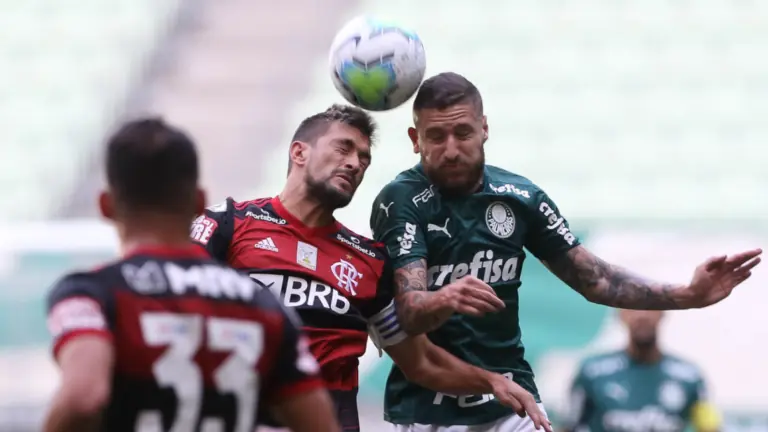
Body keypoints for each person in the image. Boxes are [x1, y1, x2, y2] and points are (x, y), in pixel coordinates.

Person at [369, 72, 761, 432]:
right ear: (415, 138)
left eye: (463, 132)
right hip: (430, 410)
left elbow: (595, 279)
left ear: (484, 128)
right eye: (437, 137)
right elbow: (410, 310)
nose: (451, 149)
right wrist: (445, 296)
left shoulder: (521, 197)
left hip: (512, 400)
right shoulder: (401, 201)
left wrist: (687, 295)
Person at [192, 104, 550, 431]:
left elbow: (420, 362)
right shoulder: (229, 225)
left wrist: (492, 381)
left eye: (364, 157)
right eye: (343, 148)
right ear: (299, 151)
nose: (355, 163)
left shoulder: (368, 261)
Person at [43, 118, 340, 432]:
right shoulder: (265, 305)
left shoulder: (91, 294)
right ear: (199, 202)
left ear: (105, 205)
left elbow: (82, 398)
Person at [562, 310, 721, 432]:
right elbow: (568, 426)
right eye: (633, 308)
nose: (642, 315)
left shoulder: (689, 375)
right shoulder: (592, 372)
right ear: (620, 315)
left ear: (663, 314)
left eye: (650, 307)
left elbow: (710, 428)